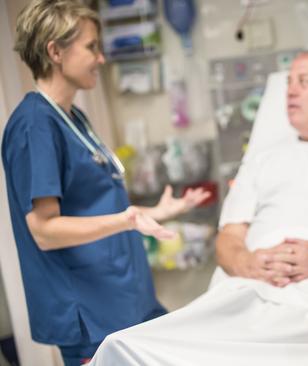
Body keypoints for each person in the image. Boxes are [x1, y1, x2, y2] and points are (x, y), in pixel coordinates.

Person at [89, 50, 308, 365]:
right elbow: (229, 237)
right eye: (289, 82)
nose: (290, 90)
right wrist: (248, 264)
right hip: (251, 290)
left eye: (304, 81)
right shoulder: (264, 159)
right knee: (129, 346)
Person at [1, 1, 209, 364]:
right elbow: (45, 230)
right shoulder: (35, 125)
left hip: (124, 297)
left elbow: (95, 204)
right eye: (91, 47)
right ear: (55, 51)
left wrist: (160, 210)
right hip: (91, 310)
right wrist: (127, 219)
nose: (101, 58)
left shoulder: (73, 118)